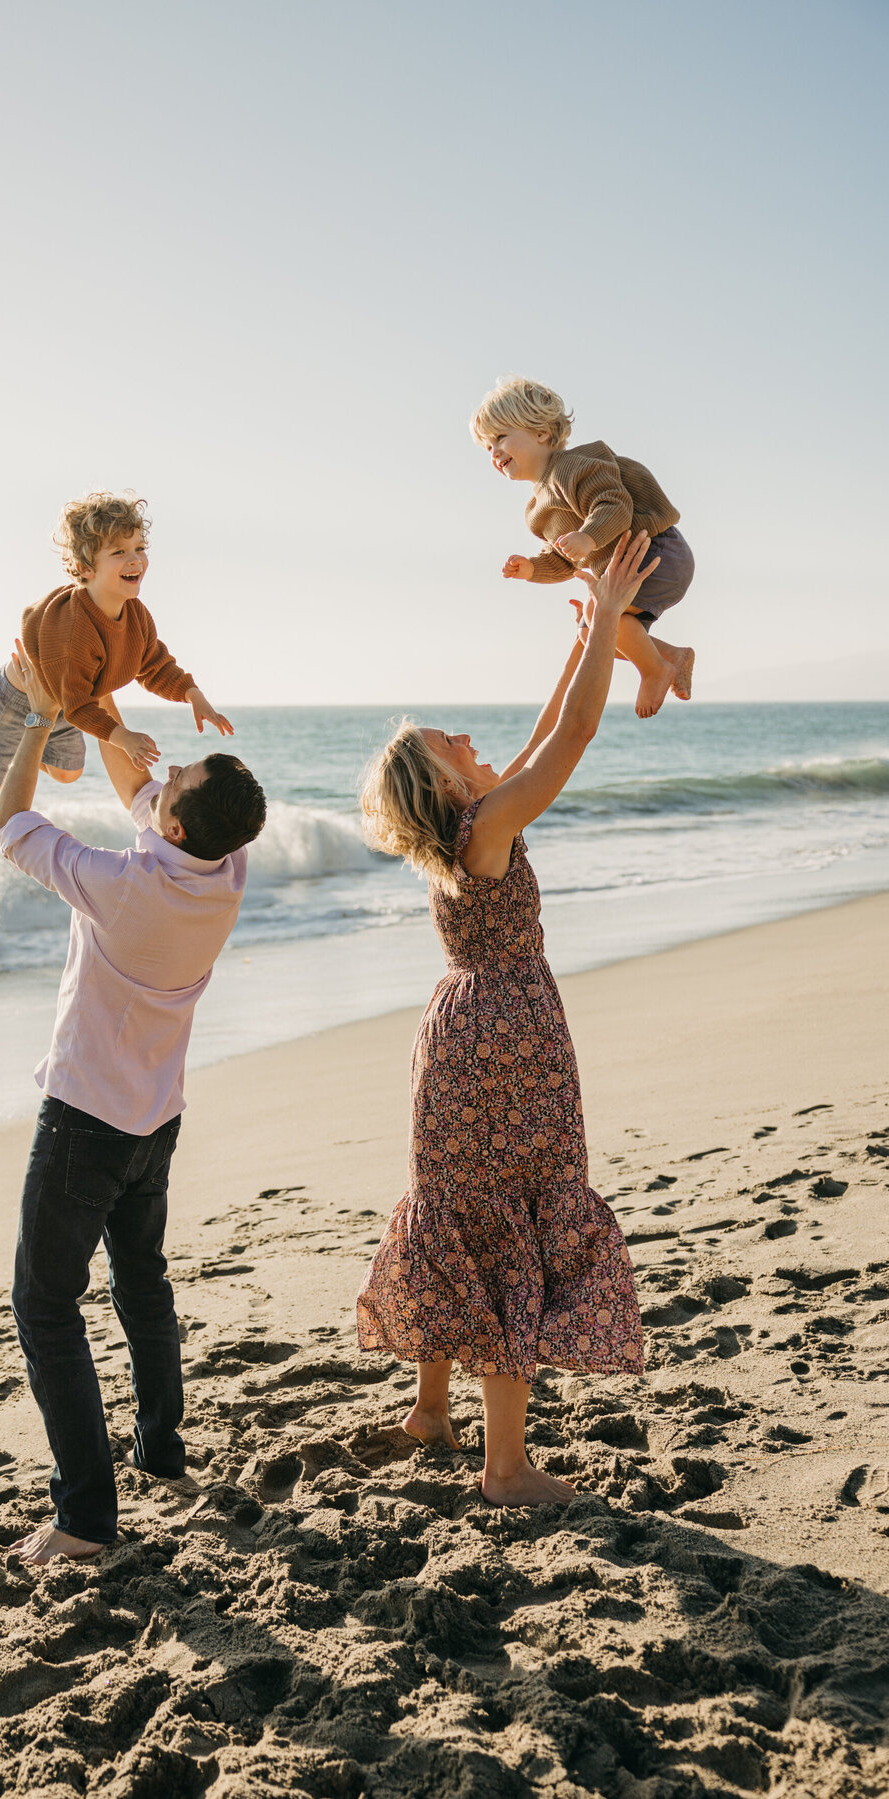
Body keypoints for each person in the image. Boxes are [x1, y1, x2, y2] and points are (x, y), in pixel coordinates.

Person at [356, 532, 651, 1507]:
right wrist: (606, 619)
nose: (478, 747)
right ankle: (505, 1467)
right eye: (458, 747)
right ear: (446, 787)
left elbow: (539, 731)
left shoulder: (474, 829)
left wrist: (586, 636)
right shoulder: (488, 828)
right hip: (508, 1042)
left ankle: (432, 1410)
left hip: (456, 1036)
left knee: (454, 1212)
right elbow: (568, 741)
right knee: (506, 1223)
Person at [0, 648, 266, 1564]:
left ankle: (83, 1519)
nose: (164, 773)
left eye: (175, 777)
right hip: (156, 1120)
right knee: (141, 1286)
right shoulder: (219, 872)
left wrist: (37, 718)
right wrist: (93, 671)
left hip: (86, 1123)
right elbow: (133, 779)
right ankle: (162, 1449)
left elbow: (11, 822)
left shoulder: (120, 885)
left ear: (178, 824)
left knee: (45, 1305)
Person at [0, 490, 233, 789]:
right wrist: (123, 738)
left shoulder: (135, 614)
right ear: (86, 568)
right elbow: (79, 706)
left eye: (139, 548)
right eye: (119, 552)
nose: (135, 560)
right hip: (19, 698)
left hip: (67, 702)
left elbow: (154, 663)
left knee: (67, 774)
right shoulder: (73, 630)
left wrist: (193, 695)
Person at [471, 375, 696, 718]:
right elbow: (564, 559)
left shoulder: (572, 466)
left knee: (598, 614)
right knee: (590, 635)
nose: (495, 452)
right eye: (488, 447)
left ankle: (654, 670)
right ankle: (671, 657)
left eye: (501, 437)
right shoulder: (536, 509)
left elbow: (614, 505)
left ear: (541, 433)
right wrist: (532, 568)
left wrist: (588, 537)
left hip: (655, 550)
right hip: (627, 565)